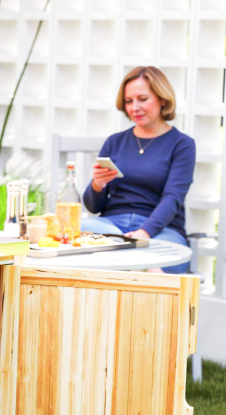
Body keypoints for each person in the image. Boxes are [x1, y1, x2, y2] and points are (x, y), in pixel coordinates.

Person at [82, 65, 195, 274]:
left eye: (143, 99)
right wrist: (98, 185)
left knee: (165, 253)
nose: (134, 107)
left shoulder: (182, 145)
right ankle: (143, 266)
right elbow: (93, 207)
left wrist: (145, 232)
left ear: (162, 99)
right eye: (129, 101)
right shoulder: (114, 142)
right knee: (82, 227)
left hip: (162, 231)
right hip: (112, 227)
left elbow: (173, 198)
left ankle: (135, 263)